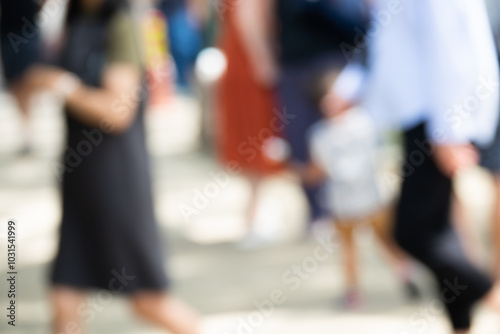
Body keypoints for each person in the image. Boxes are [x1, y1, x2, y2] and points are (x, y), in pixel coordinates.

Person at [25, 0, 200, 333]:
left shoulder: (124, 22)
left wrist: (61, 85)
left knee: (149, 301)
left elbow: (117, 112)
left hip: (117, 180)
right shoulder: (74, 16)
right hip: (80, 180)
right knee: (64, 300)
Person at [361, 0, 500, 332]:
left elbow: (448, 45)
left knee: (412, 231)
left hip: (435, 116)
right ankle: (462, 324)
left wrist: (447, 130)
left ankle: (489, 292)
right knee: (441, 231)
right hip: (426, 113)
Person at [303, 66, 419, 308]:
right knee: (385, 242)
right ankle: (405, 273)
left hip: (345, 202)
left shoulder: (320, 134)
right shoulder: (366, 120)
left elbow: (316, 172)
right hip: (371, 198)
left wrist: (295, 171)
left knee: (350, 249)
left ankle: (353, 293)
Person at [273, 0, 369, 230]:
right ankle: (318, 210)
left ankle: (357, 210)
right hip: (296, 60)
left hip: (336, 53)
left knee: (345, 133)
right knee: (302, 139)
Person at [216, 0, 284, 246]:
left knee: (253, 140)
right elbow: (248, 19)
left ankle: (254, 215)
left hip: (238, 59)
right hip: (248, 65)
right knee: (257, 138)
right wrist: (264, 60)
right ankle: (252, 219)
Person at [0, 0, 43, 154]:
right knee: (14, 84)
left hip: (27, 31)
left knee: (28, 80)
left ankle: (29, 130)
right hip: (8, 34)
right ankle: (26, 129)